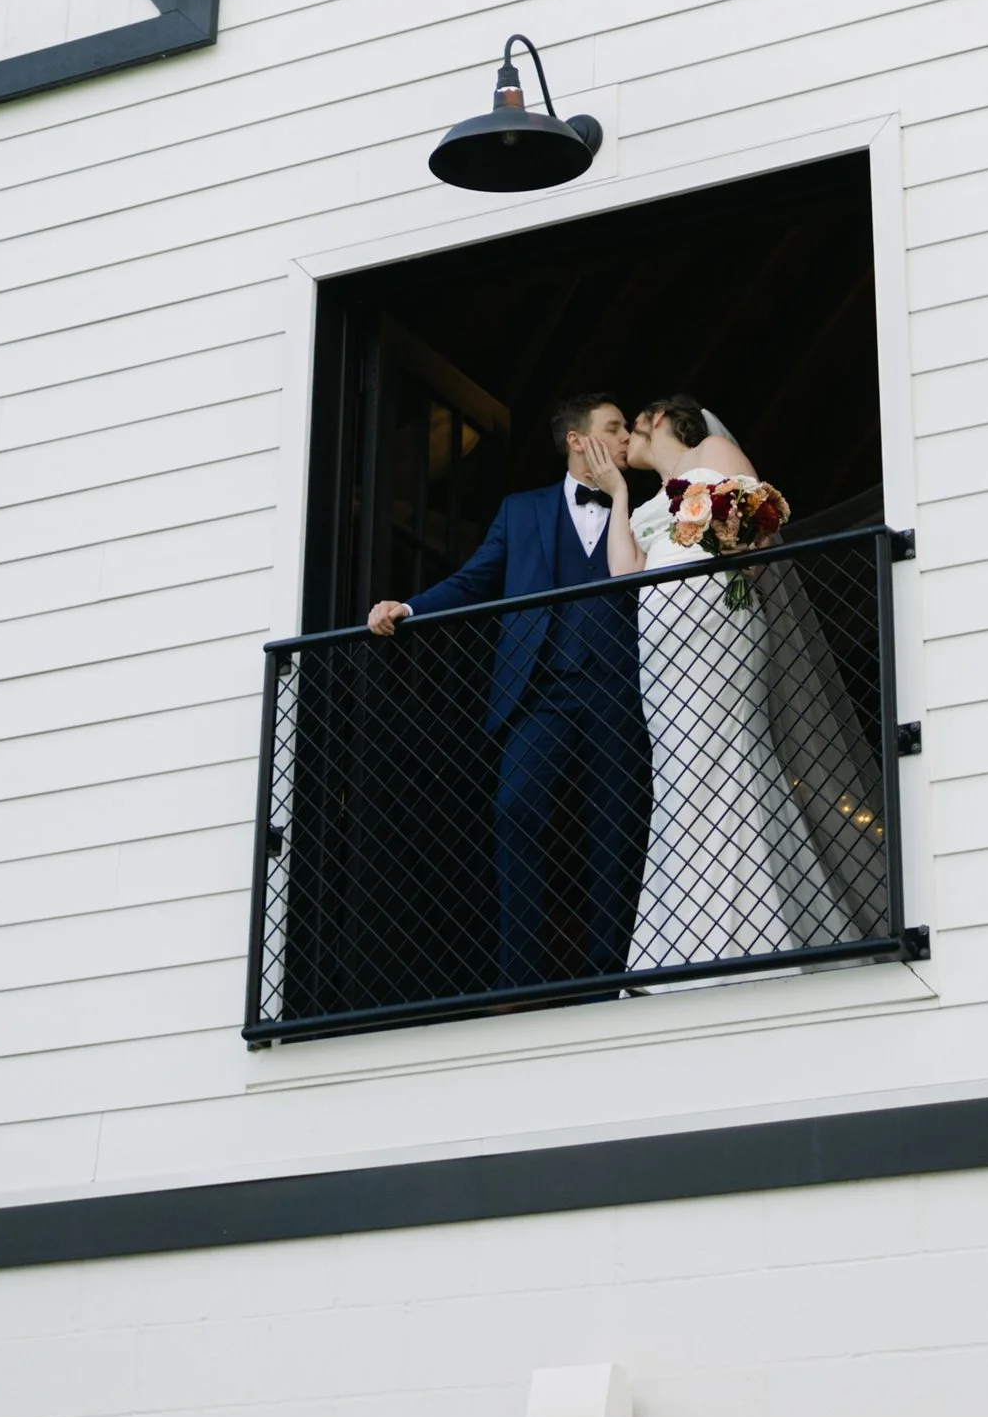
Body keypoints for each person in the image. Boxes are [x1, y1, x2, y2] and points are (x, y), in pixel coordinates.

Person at [366, 392, 649, 992]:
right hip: (540, 690)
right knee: (515, 808)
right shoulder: (521, 511)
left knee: (616, 826)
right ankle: (518, 978)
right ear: (578, 440)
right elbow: (476, 579)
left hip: (619, 688)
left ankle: (607, 975)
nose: (626, 437)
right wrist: (409, 605)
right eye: (614, 427)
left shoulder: (644, 508)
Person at [610, 395, 861, 971]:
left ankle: (758, 937)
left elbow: (755, 545)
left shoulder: (713, 450)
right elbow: (624, 575)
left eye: (635, 423)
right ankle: (678, 947)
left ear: (662, 420)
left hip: (719, 617)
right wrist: (619, 494)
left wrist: (736, 543)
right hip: (663, 636)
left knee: (725, 759)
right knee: (678, 773)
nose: (627, 436)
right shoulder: (650, 498)